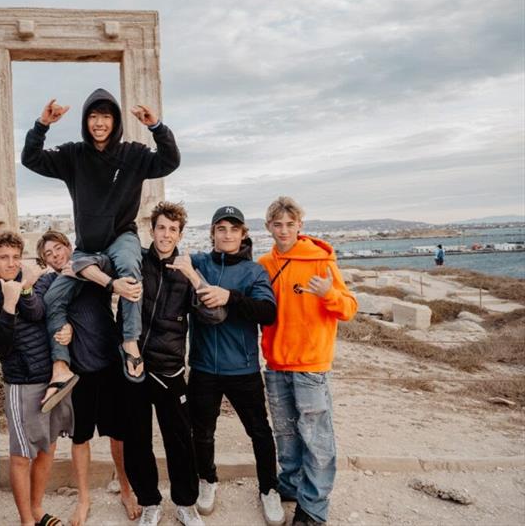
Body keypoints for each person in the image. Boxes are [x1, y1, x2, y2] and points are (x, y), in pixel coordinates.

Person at [21, 88, 181, 405]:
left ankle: (130, 343)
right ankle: (61, 366)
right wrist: (42, 124)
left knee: (130, 270)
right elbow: (31, 159)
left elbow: (169, 161)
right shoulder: (73, 155)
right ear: (85, 121)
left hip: (121, 235)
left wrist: (156, 127)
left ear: (116, 121)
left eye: (106, 116)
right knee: (54, 295)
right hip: (87, 246)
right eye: (93, 116)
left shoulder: (133, 154)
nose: (99, 122)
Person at [113, 201, 224, 526]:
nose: (165, 234)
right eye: (161, 228)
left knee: (179, 440)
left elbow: (214, 314)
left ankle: (186, 504)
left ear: (179, 234)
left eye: (172, 229)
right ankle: (149, 501)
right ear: (152, 230)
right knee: (137, 440)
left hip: (170, 368)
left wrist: (192, 275)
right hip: (133, 365)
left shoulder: (186, 270)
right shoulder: (136, 263)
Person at [180, 206, 284, 526]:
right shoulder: (199, 263)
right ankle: (207, 479)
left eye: (233, 229)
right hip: (202, 367)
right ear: (212, 233)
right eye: (221, 229)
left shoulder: (253, 272)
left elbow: (268, 312)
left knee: (259, 432)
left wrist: (230, 297)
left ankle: (268, 488)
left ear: (243, 235)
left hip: (243, 367)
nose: (226, 235)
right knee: (203, 432)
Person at [259, 197, 357, 526]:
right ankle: (291, 485)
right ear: (268, 227)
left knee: (315, 437)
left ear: (300, 225)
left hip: (311, 365)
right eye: (278, 224)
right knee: (285, 434)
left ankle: (313, 508)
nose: (284, 230)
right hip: (276, 364)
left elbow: (349, 308)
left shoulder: (321, 261)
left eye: (290, 224)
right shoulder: (264, 265)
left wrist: (328, 293)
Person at [35, 230, 140, 526]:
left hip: (108, 363)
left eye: (59, 249)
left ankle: (125, 489)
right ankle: (83, 498)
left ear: (69, 247)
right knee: (80, 438)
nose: (56, 256)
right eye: (49, 255)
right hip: (79, 372)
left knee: (117, 434)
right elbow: (42, 309)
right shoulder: (49, 283)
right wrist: (61, 329)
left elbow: (110, 265)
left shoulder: (90, 273)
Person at [0, 231, 71, 526]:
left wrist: (25, 290)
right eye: (4, 257)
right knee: (21, 456)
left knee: (48, 448)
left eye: (16, 257)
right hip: (21, 381)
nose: (11, 263)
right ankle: (26, 520)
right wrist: (8, 305)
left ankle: (37, 509)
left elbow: (40, 313)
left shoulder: (21, 282)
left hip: (49, 378)